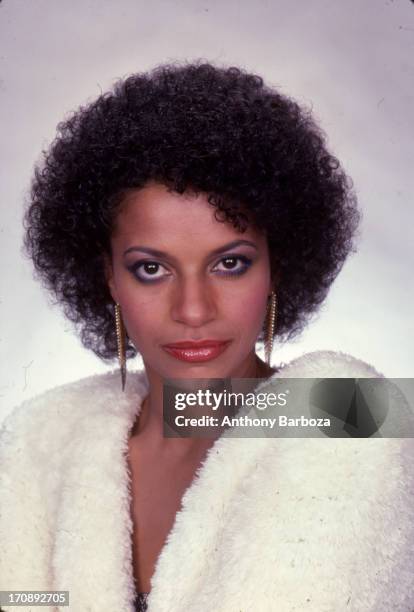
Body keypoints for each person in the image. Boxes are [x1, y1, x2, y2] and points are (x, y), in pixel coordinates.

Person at [0, 61, 413, 612]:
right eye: (152, 268)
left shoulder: (352, 415)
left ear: (276, 267)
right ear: (107, 276)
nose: (193, 310)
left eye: (231, 264)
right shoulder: (42, 440)